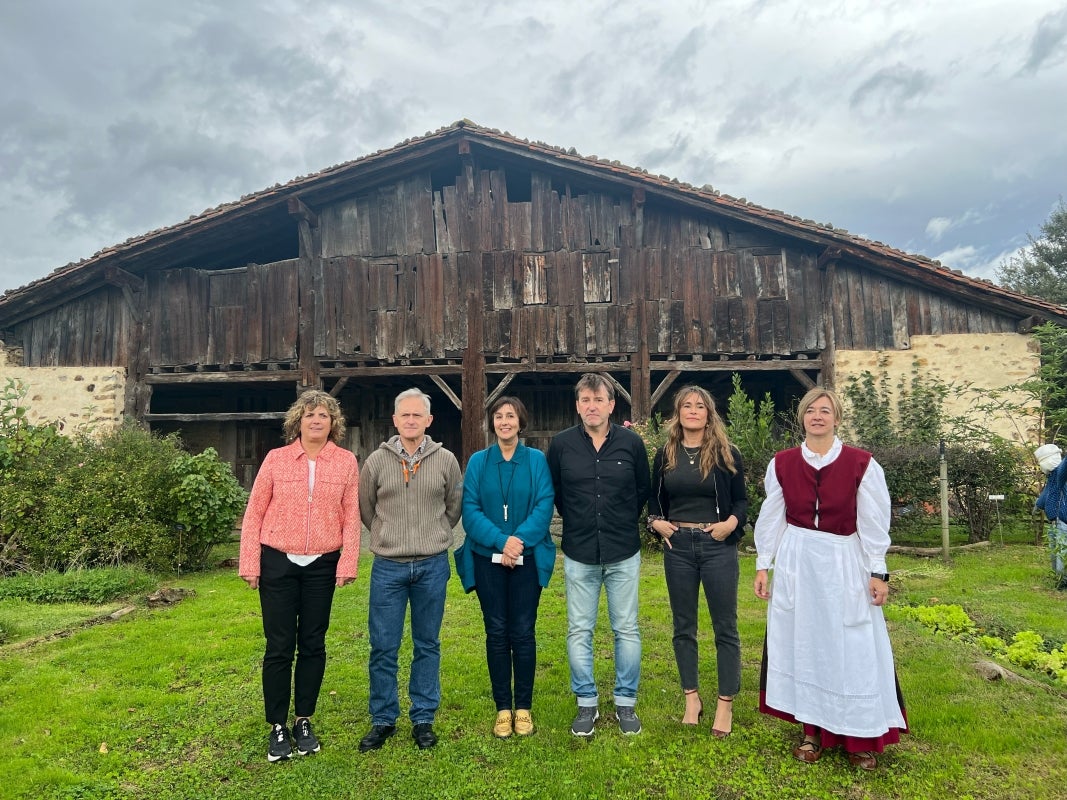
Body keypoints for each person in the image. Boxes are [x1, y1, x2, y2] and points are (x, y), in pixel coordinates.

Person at [753, 387, 907, 771]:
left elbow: (873, 522)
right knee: (805, 642)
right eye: (810, 411)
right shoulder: (783, 463)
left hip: (843, 560)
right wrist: (763, 563)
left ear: (837, 418)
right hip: (799, 561)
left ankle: (860, 737)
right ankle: (812, 729)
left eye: (825, 411)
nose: (817, 417)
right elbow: (772, 517)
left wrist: (878, 570)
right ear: (802, 418)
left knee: (852, 645)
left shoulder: (862, 463)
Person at [238, 389, 361, 762]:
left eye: (323, 415)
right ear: (298, 421)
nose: (316, 421)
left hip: (322, 564)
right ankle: (277, 725)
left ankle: (303, 719)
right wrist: (250, 563)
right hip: (278, 561)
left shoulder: (345, 462)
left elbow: (351, 515)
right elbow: (255, 512)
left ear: (333, 423)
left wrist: (348, 562)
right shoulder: (276, 460)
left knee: (313, 643)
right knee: (278, 647)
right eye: (309, 415)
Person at [357, 388, 463, 752]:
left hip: (432, 564)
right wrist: (391, 537)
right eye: (406, 415)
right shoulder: (376, 461)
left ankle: (423, 717)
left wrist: (432, 536)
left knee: (427, 643)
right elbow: (367, 509)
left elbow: (453, 508)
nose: (412, 420)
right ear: (396, 420)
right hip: (388, 566)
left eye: (419, 415)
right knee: (383, 646)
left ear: (429, 421)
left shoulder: (446, 459)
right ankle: (384, 718)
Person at [547, 372, 651, 736]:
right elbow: (557, 493)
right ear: (578, 406)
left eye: (599, 400)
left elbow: (642, 490)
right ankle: (586, 703)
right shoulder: (560, 446)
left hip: (623, 550)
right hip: (579, 551)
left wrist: (619, 521)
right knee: (579, 630)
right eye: (585, 400)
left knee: (626, 628)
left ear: (611, 404)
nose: (592, 406)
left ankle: (625, 703)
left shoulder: (631, 444)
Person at [647, 385, 747, 738]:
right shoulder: (666, 454)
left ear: (709, 413)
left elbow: (740, 503)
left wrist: (731, 525)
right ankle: (692, 698)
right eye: (686, 405)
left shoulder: (725, 452)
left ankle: (724, 704)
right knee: (683, 626)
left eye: (699, 406)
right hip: (679, 547)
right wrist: (656, 522)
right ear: (678, 413)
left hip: (716, 544)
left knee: (725, 627)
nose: (693, 410)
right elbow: (654, 500)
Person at [457, 396, 556, 738]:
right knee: (496, 631)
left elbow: (544, 505)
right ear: (492, 423)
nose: (504, 422)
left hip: (527, 560)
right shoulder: (478, 462)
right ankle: (503, 708)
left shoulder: (536, 460)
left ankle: (524, 707)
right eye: (498, 417)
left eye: (510, 416)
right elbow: (469, 509)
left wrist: (519, 542)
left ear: (520, 420)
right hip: (488, 559)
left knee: (524, 631)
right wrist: (501, 542)